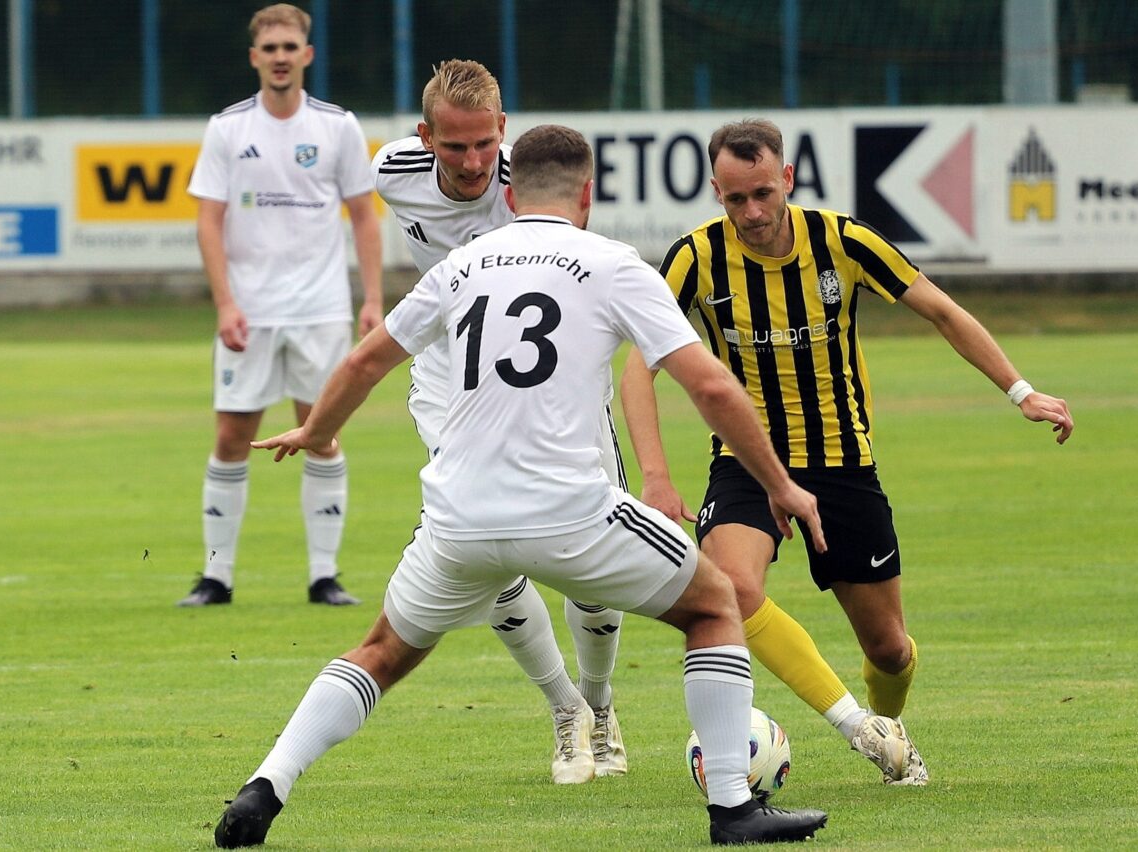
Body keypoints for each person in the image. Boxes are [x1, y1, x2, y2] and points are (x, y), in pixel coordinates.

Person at [213, 124, 833, 848]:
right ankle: (732, 808)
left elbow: (363, 363)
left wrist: (318, 432)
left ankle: (266, 784)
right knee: (715, 604)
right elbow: (713, 388)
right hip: (570, 513)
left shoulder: (461, 265)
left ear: (510, 196)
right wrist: (779, 484)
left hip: (459, 519)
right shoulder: (613, 263)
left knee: (379, 651)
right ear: (588, 196)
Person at [621, 118, 1075, 785]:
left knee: (889, 651)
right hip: (748, 464)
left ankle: (889, 728)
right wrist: (656, 476)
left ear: (787, 179)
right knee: (732, 589)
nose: (751, 212)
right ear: (716, 192)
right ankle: (854, 724)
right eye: (735, 198)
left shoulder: (843, 240)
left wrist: (1021, 391)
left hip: (842, 464)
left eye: (762, 194)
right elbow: (639, 368)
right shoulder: (695, 257)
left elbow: (944, 312)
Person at [370, 59, 627, 783]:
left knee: (595, 562)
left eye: (486, 143)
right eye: (455, 147)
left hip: (552, 376)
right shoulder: (392, 171)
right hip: (449, 380)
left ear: (504, 130)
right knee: (485, 553)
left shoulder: (534, 181)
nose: (474, 162)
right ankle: (566, 709)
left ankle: (601, 701)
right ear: (426, 137)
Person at [177, 3, 383, 608]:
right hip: (251, 312)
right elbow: (209, 221)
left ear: (307, 54)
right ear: (254, 58)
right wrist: (225, 304)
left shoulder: (337, 127)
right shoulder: (228, 128)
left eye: (290, 47)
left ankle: (325, 575)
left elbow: (364, 216)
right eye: (270, 48)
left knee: (322, 434)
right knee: (231, 436)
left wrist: (372, 298)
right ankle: (216, 577)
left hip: (320, 309)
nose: (280, 57)